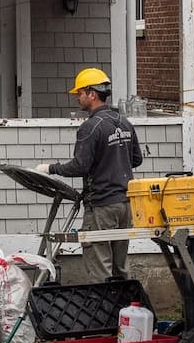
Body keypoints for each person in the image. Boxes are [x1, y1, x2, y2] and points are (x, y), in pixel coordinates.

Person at [35, 66, 143, 281]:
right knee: (120, 268)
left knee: (100, 269)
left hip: (101, 206)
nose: (77, 98)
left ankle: (103, 313)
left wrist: (50, 168)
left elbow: (80, 166)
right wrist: (113, 162)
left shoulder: (91, 127)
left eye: (80, 93)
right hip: (125, 204)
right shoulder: (124, 122)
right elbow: (137, 159)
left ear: (92, 94)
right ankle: (123, 310)